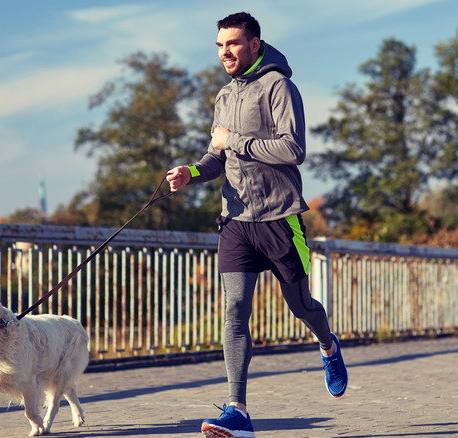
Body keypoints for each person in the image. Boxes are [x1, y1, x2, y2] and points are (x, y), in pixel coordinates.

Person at [166, 11, 348, 438]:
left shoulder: (279, 87)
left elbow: (293, 149)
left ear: (253, 44)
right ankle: (238, 410)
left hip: (280, 216)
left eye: (231, 43)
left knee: (302, 306)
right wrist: (192, 172)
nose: (224, 52)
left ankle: (328, 345)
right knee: (234, 311)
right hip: (235, 219)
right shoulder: (224, 96)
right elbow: (219, 156)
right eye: (218, 45)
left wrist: (236, 141)